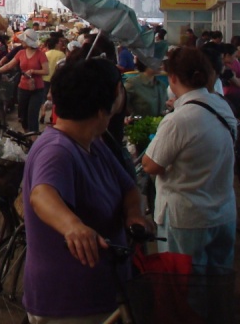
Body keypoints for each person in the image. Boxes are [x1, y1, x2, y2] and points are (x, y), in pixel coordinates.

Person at [22, 57, 146, 322]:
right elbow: (42, 195)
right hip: (69, 304)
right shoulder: (57, 150)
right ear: (108, 103)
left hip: (106, 292)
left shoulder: (94, 142)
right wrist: (72, 226)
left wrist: (134, 214)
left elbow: (129, 189)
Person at [142, 47, 236, 268]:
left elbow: (150, 165)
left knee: (185, 285)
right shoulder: (222, 106)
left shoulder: (179, 120)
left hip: (187, 219)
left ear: (173, 78)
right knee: (218, 282)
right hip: (223, 213)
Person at [0, 29, 47, 133]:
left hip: (37, 89)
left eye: (23, 40)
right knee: (23, 116)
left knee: (32, 115)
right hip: (22, 88)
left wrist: (33, 71)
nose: (21, 42)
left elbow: (46, 71)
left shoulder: (40, 54)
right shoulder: (21, 53)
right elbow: (9, 65)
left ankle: (33, 138)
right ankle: (27, 135)